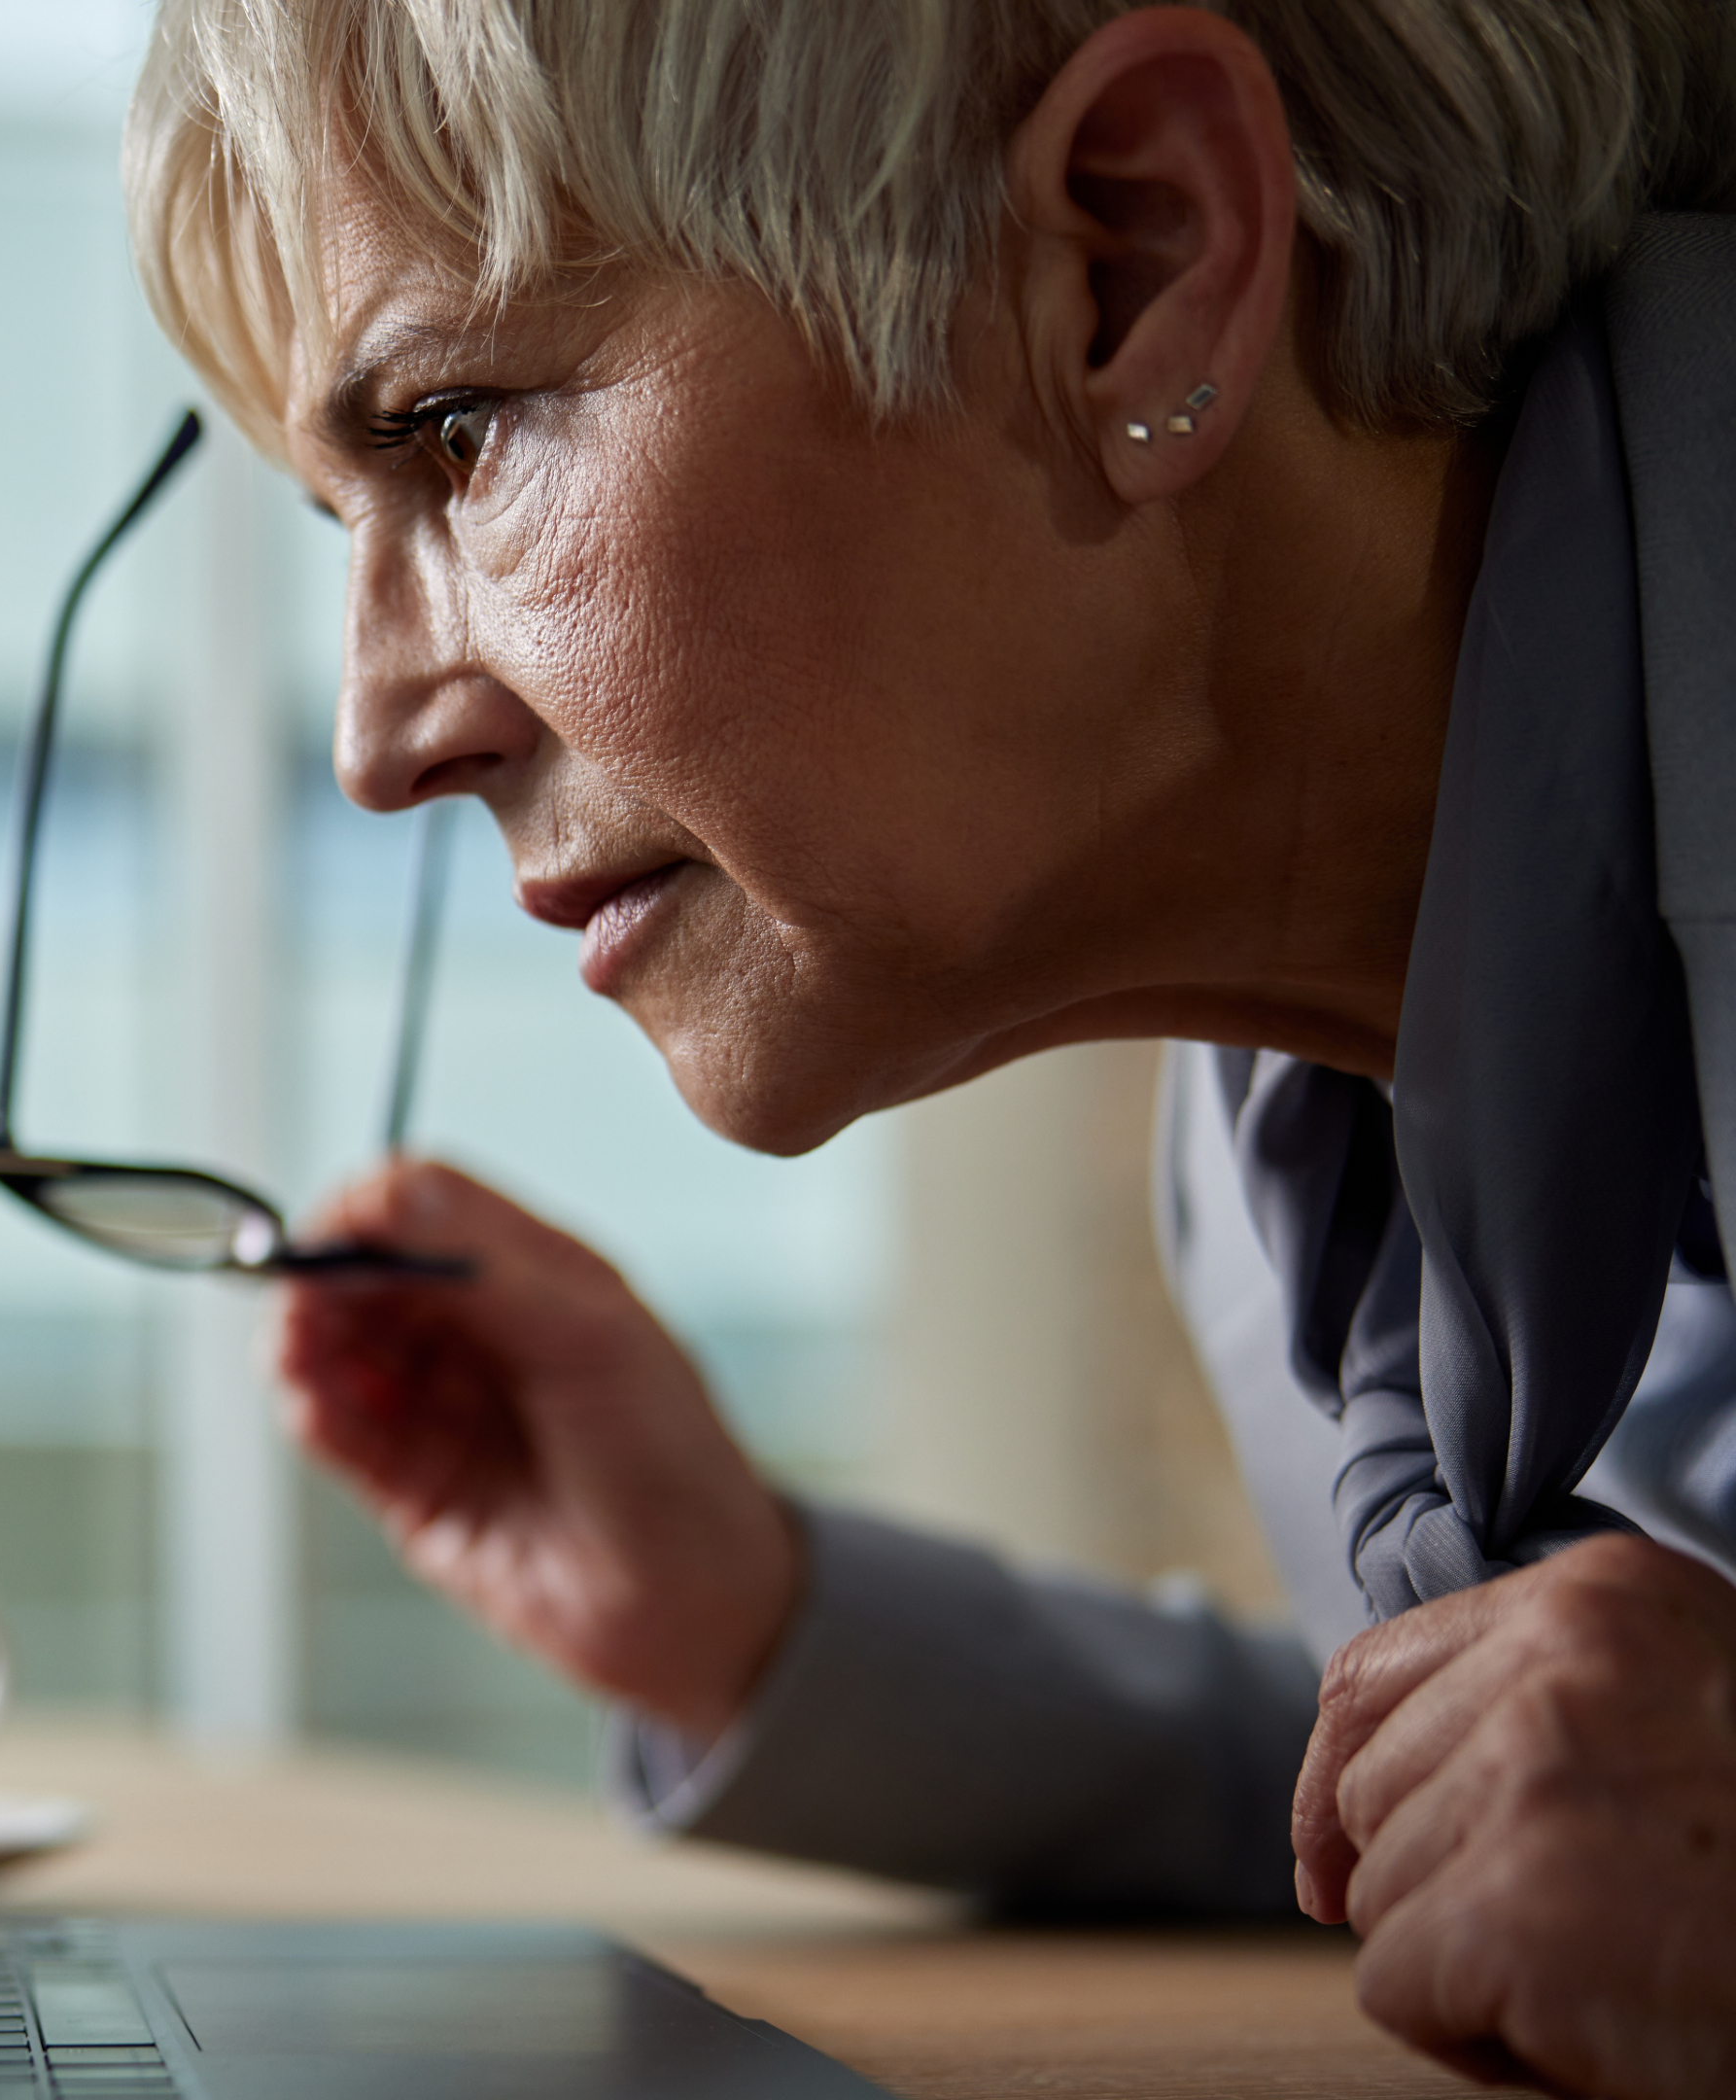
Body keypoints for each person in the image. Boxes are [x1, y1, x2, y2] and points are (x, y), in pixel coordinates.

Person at [121, 1, 1736, 2092]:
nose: (378, 742)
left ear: (1137, 263)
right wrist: (756, 1616)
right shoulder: (1297, 1150)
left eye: (457, 430)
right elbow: (1517, 1759)